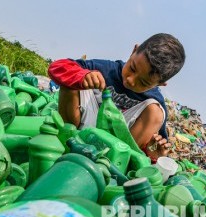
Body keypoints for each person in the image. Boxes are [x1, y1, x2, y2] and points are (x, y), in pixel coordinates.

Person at [48, 33, 185, 161]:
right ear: (134, 51)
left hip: (116, 147)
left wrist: (152, 153)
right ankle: (66, 137)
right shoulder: (107, 68)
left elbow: (152, 145)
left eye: (143, 82)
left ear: (160, 84)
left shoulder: (154, 103)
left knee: (155, 113)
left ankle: (117, 165)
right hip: (81, 127)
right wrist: (82, 77)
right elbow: (57, 67)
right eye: (132, 68)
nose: (131, 80)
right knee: (74, 76)